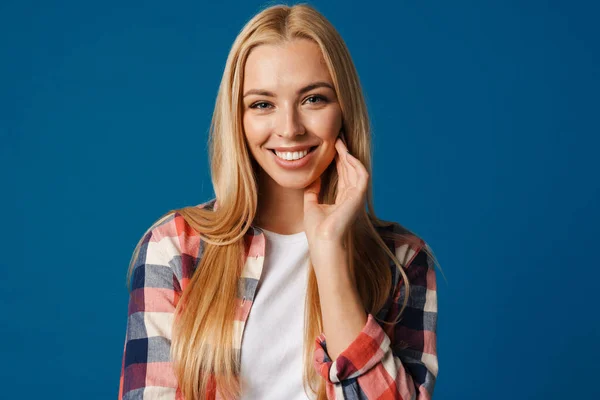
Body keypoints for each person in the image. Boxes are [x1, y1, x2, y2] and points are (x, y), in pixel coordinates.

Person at [118, 4, 441, 400]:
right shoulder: (173, 249)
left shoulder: (402, 261)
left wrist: (330, 257)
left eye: (314, 99)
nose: (289, 128)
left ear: (344, 110)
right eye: (262, 104)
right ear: (238, 119)